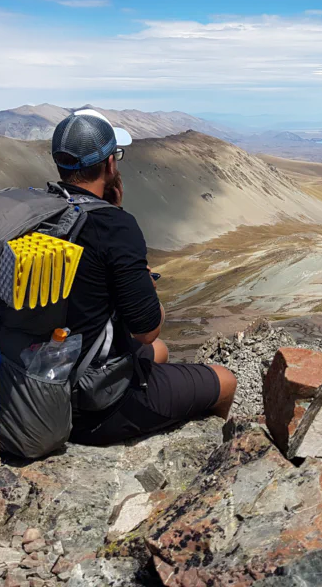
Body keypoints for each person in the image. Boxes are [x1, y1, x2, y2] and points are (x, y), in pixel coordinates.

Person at [49, 109, 236, 446]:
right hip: (92, 405)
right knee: (225, 381)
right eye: (115, 157)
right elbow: (148, 330)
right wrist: (146, 286)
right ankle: (208, 457)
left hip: (47, 370)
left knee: (161, 353)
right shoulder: (116, 228)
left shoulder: (45, 211)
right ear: (109, 165)